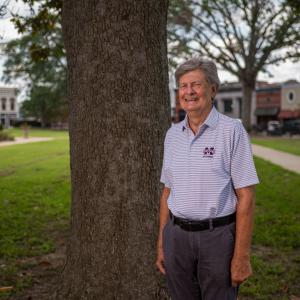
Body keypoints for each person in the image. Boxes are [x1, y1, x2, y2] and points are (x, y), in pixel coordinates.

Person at [156, 57, 259, 300]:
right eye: (183, 86)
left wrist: (242, 256)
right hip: (176, 236)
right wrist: (162, 243)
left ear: (213, 89)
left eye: (196, 84)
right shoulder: (172, 135)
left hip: (217, 238)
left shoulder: (231, 131)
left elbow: (246, 196)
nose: (189, 92)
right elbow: (167, 193)